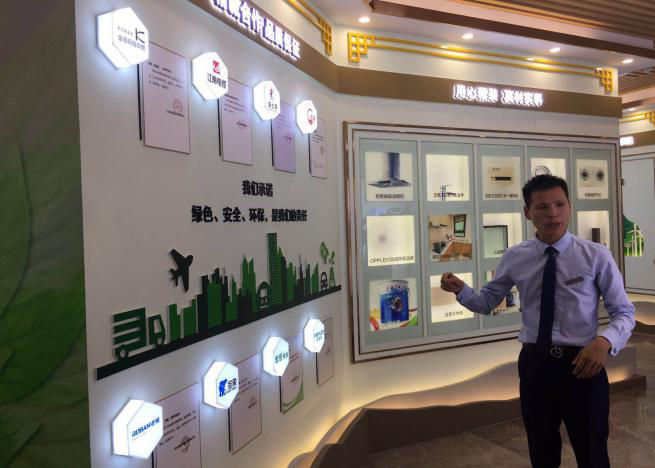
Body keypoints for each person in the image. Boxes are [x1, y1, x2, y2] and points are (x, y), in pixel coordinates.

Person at [440, 175, 634, 468]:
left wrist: (605, 341)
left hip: (583, 364)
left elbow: (624, 311)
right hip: (536, 366)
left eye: (559, 204)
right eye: (542, 207)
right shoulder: (516, 256)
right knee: (541, 451)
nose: (553, 213)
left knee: (592, 452)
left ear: (569, 207)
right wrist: (461, 290)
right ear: (528, 213)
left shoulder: (595, 255)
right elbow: (487, 301)